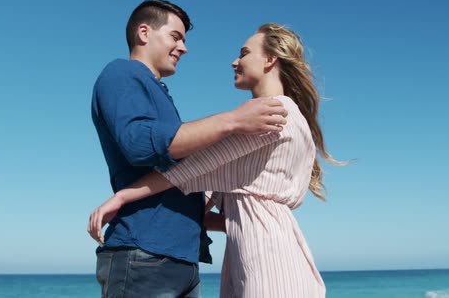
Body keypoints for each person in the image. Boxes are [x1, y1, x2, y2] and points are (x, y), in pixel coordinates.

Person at [89, 23, 344, 297]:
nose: (235, 61)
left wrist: (123, 196)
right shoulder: (287, 118)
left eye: (244, 53)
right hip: (266, 247)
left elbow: (191, 168)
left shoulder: (272, 114)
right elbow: (218, 207)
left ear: (270, 60)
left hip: (266, 255)